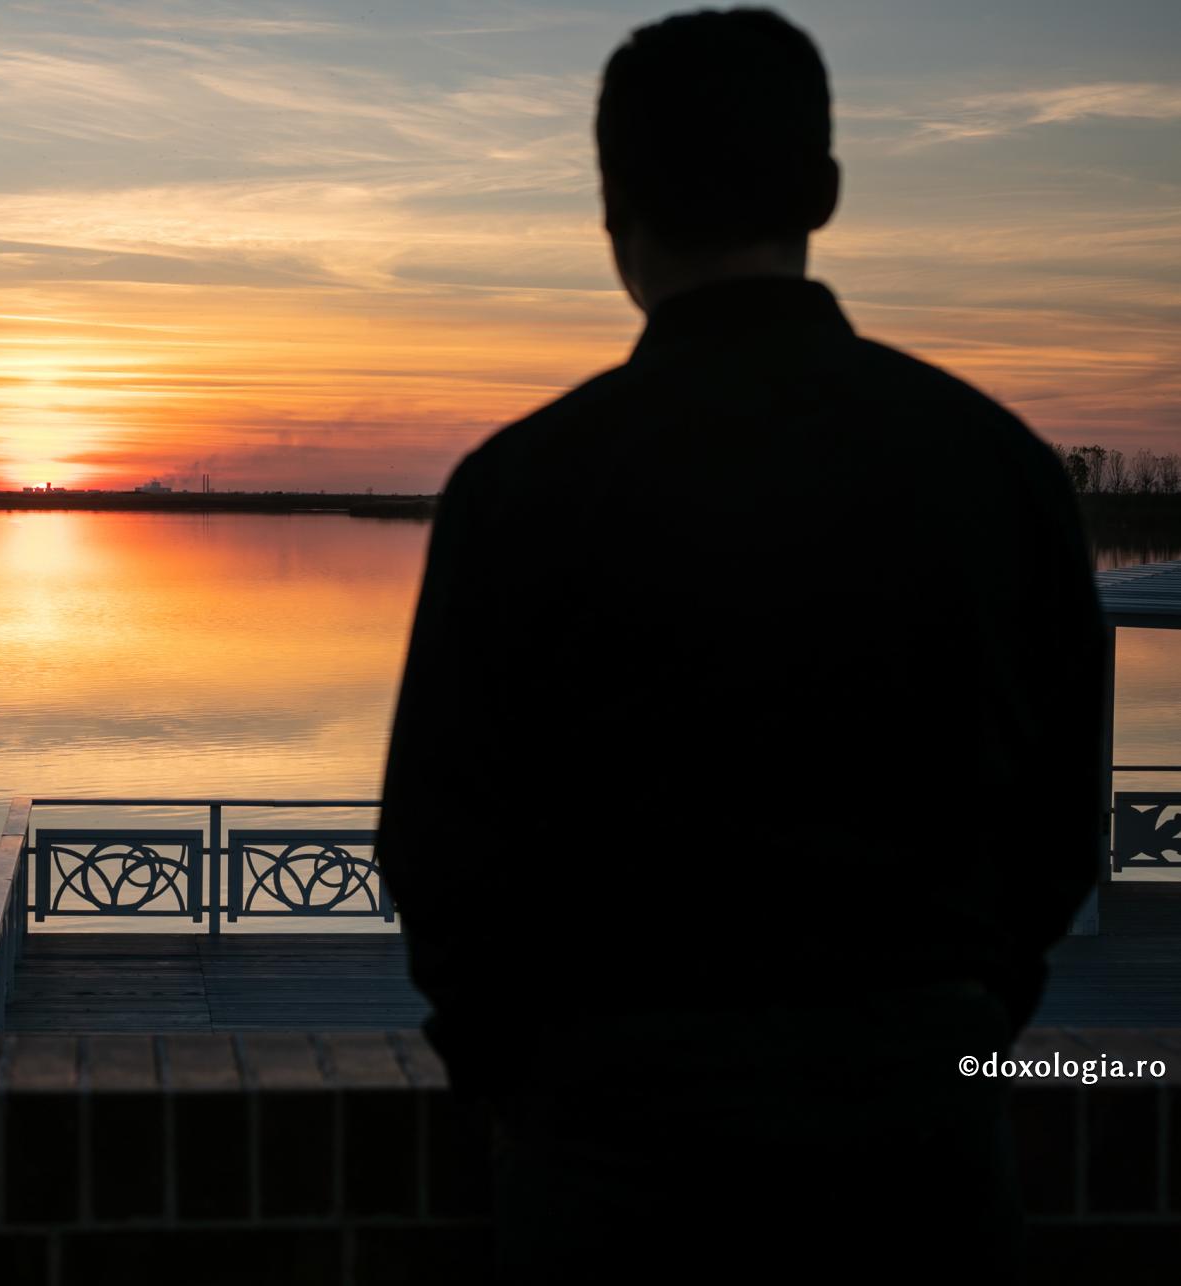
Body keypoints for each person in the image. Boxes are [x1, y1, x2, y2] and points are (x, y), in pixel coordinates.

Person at [374, 7, 1105, 1279]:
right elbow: (1055, 823)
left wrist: (518, 1068)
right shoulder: (997, 467)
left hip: (611, 1143)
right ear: (822, 190)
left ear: (611, 206)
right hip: (919, 1127)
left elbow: (438, 842)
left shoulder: (522, 483)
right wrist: (963, 1023)